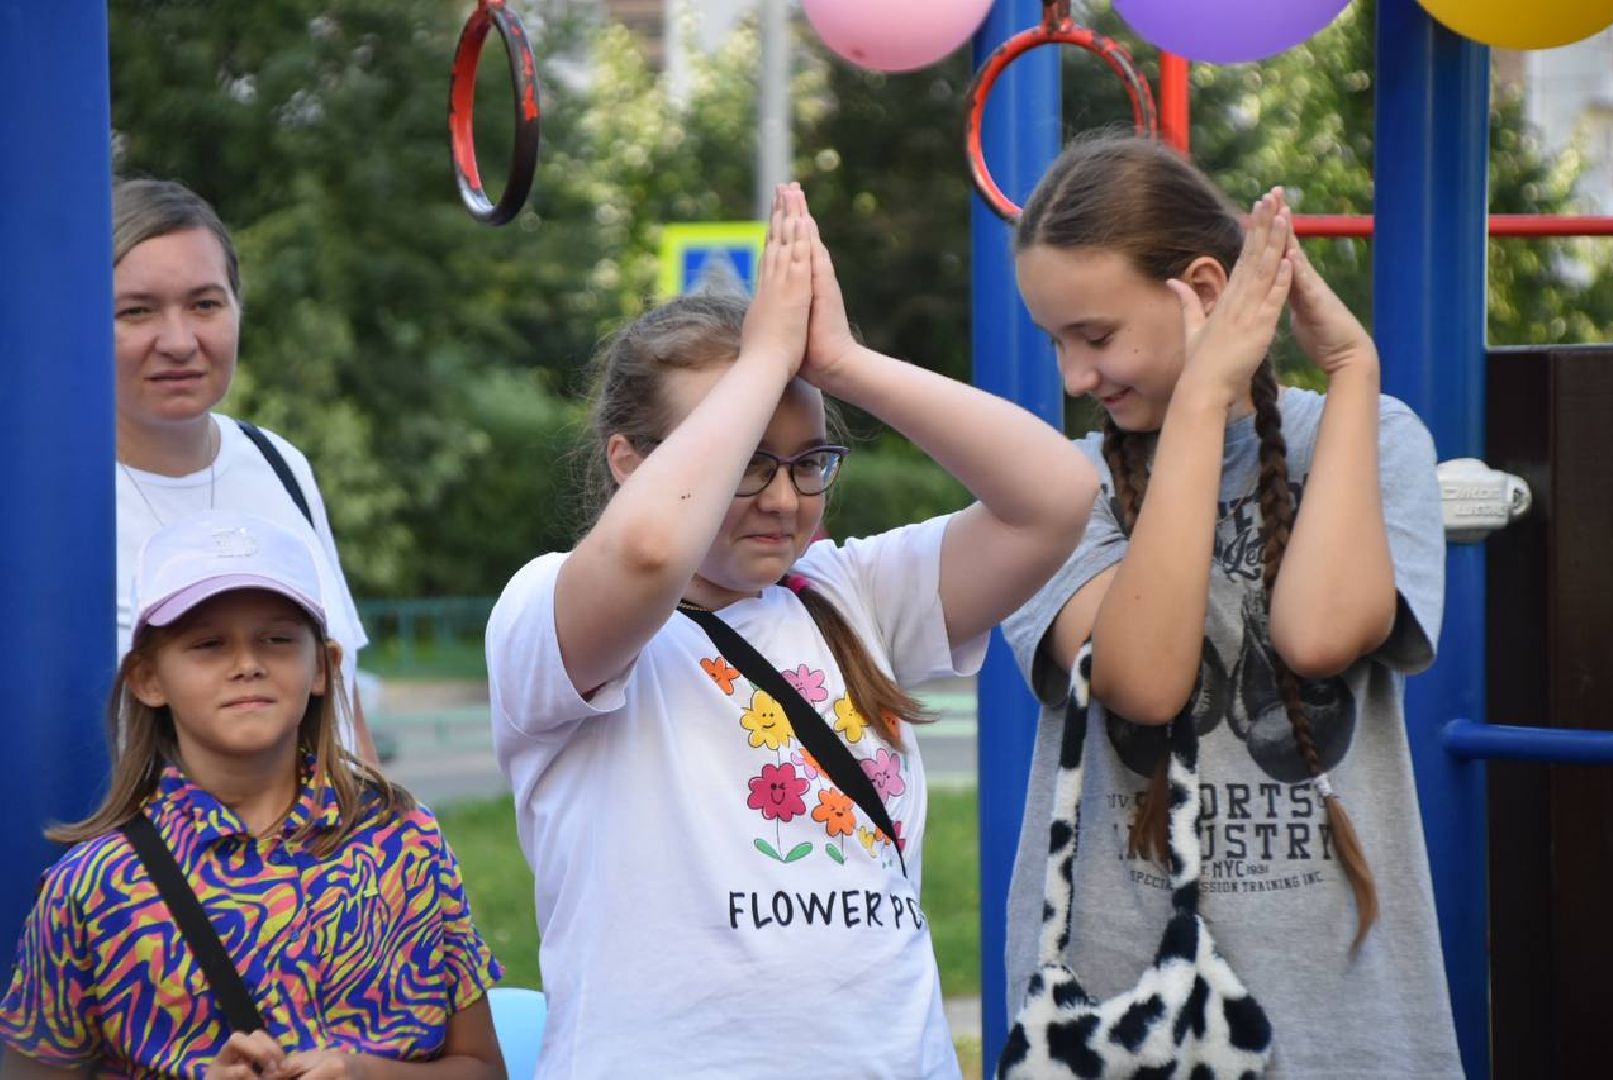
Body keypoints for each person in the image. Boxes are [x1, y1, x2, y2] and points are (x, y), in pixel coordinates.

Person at [486, 184, 1099, 1077]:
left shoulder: (847, 589)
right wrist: (764, 356)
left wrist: (841, 361)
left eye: (807, 462)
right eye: (744, 462)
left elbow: (1056, 496)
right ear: (630, 462)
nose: (783, 499)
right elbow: (654, 548)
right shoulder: (548, 610)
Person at [1001, 133, 1460, 1076]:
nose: (1073, 378)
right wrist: (1202, 405)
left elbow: (1319, 635)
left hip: (1347, 1014)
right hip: (1125, 1021)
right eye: (1056, 341)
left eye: (1093, 336)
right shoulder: (1052, 487)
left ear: (1203, 292)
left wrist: (1354, 369)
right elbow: (1147, 683)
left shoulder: (1368, 433)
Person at [0, 511, 504, 1079]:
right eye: (209, 644)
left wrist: (364, 1074)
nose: (247, 665)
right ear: (148, 679)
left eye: (277, 640)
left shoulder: (404, 839)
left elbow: (484, 1068)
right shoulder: (92, 888)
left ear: (324, 666)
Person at [112, 178, 377, 761]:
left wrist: (388, 842)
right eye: (137, 311)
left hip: (323, 849)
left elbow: (343, 709)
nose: (179, 342)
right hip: (149, 850)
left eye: (205, 304)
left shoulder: (279, 464)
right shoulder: (43, 504)